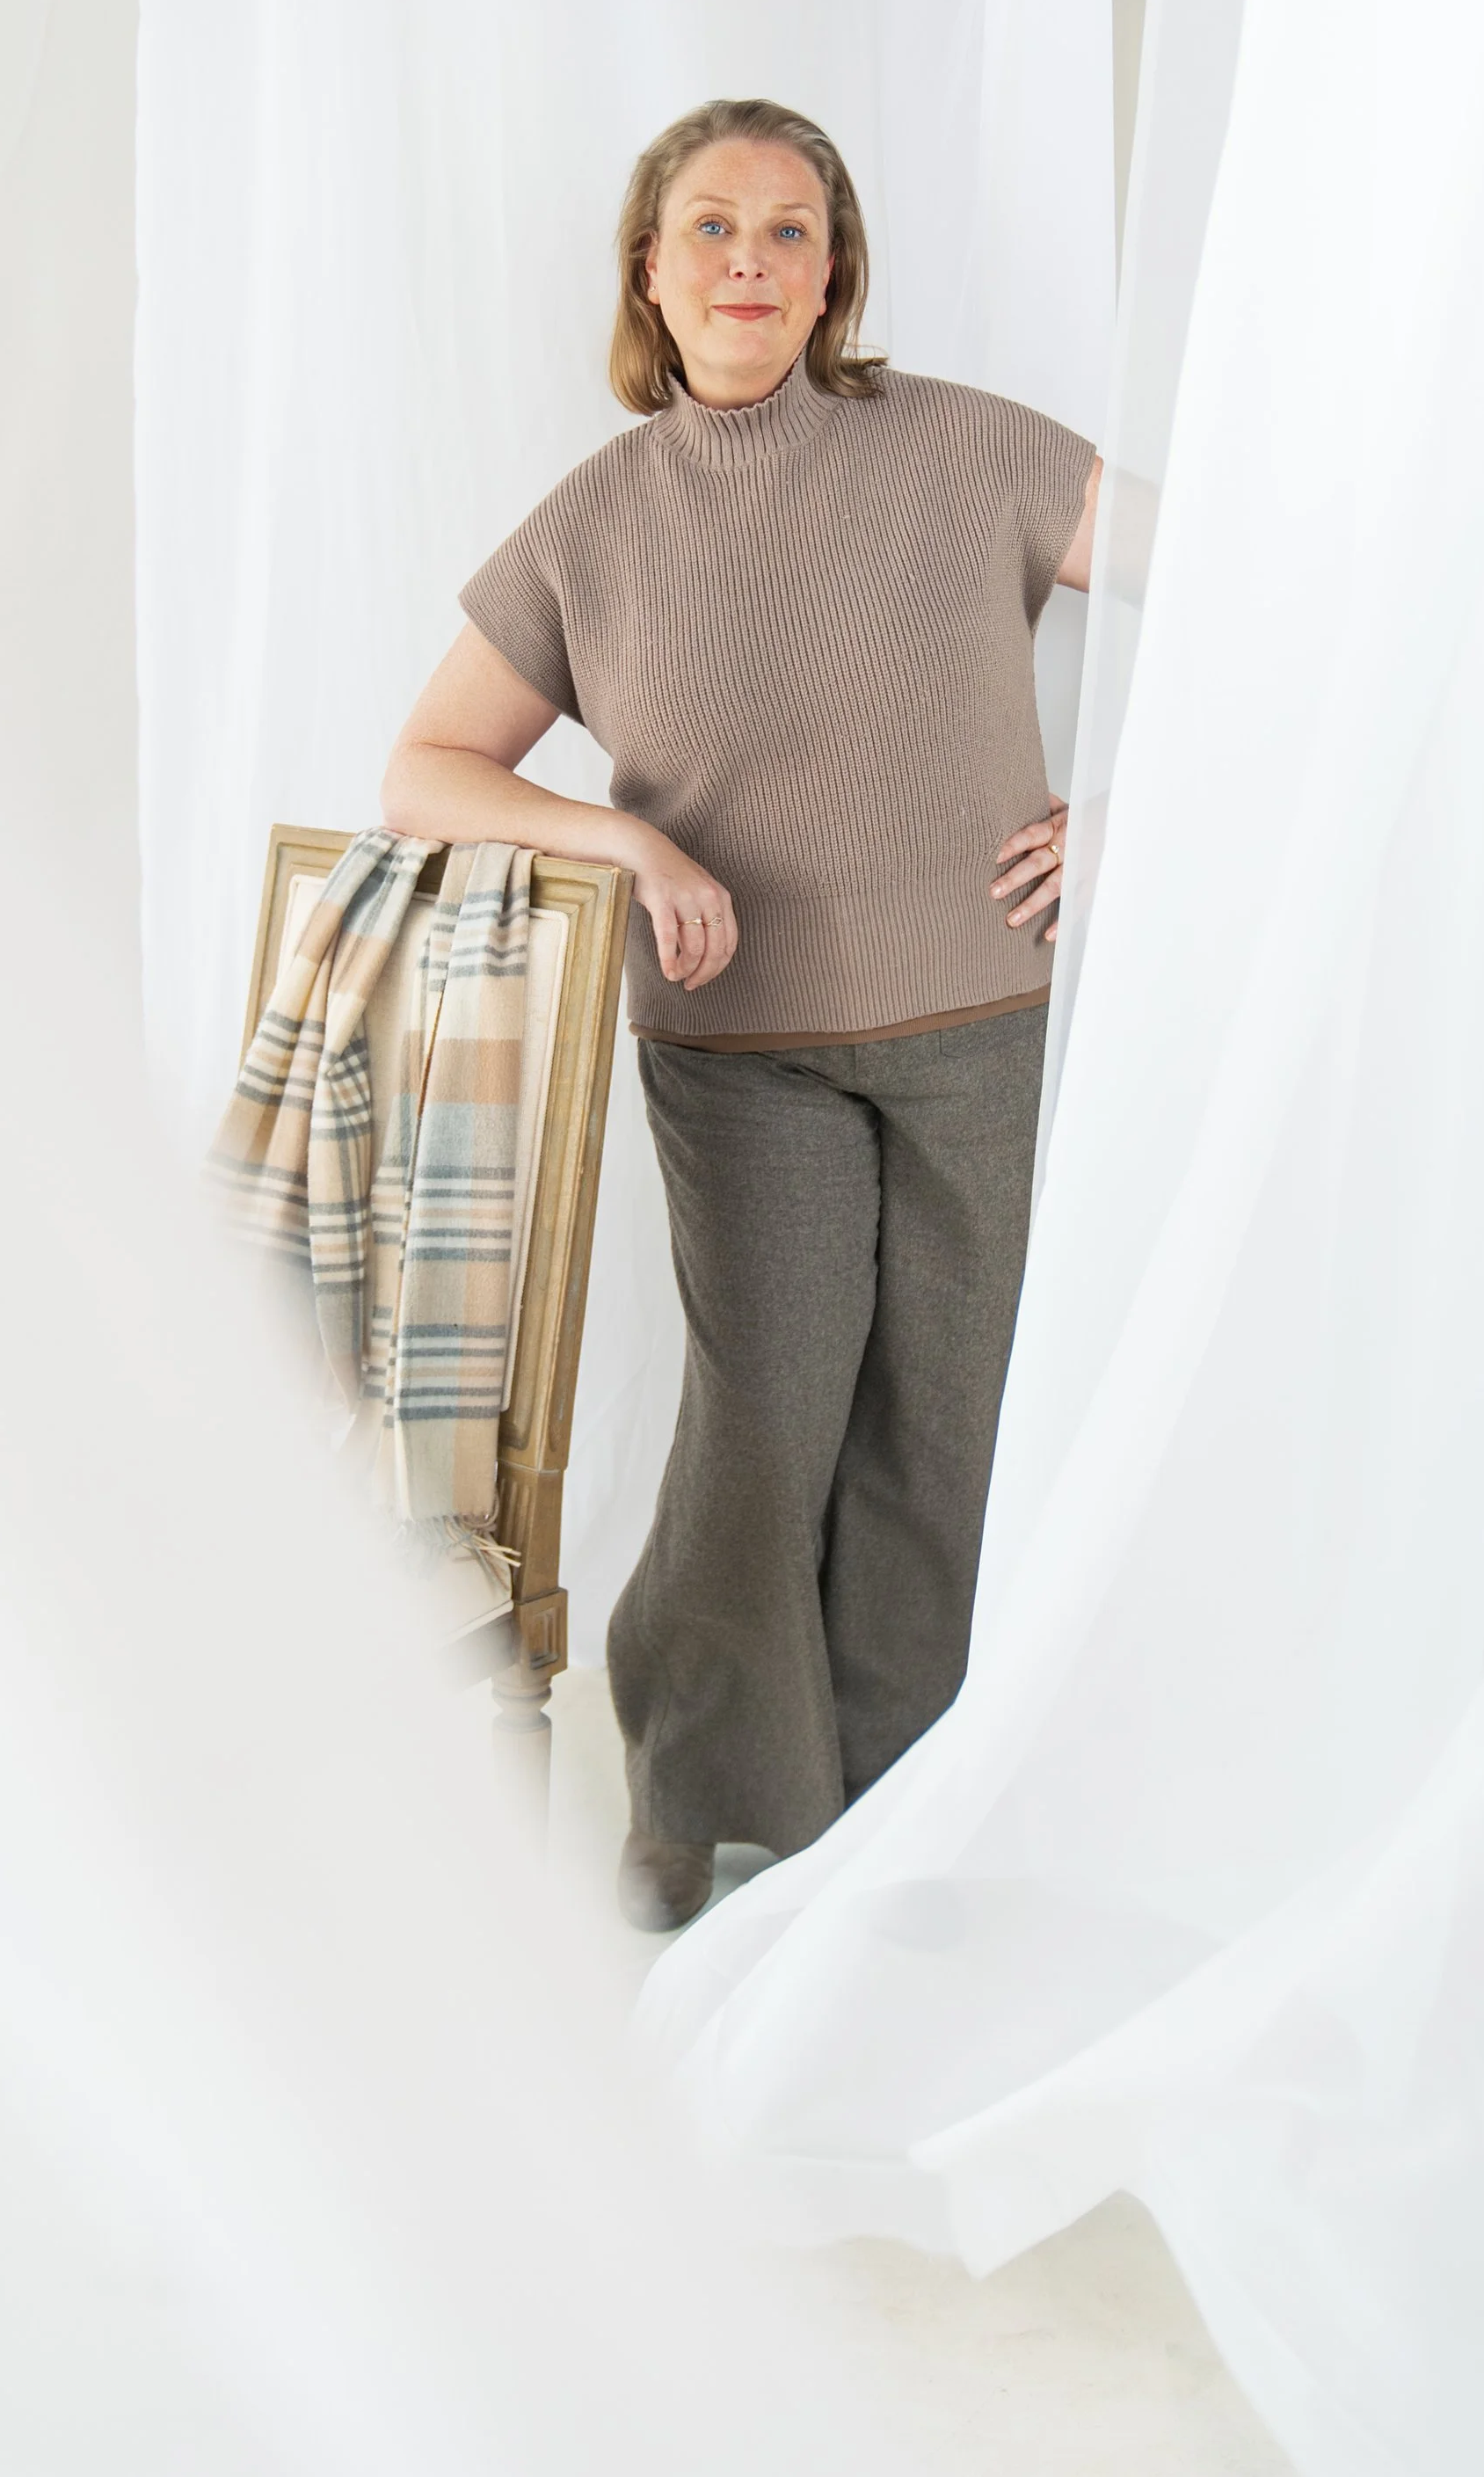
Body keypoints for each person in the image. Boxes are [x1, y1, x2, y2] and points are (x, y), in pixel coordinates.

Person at [382, 97, 1100, 1930]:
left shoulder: (971, 448)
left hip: (980, 1021)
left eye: (791, 230)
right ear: (648, 267)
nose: (751, 262)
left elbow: (1256, 572)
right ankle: (701, 1799)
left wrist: (1134, 803)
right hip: (738, 1053)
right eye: (711, 226)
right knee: (763, 1428)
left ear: (835, 269)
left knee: (943, 1427)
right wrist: (621, 836)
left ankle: (897, 1811)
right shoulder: (596, 521)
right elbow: (426, 768)